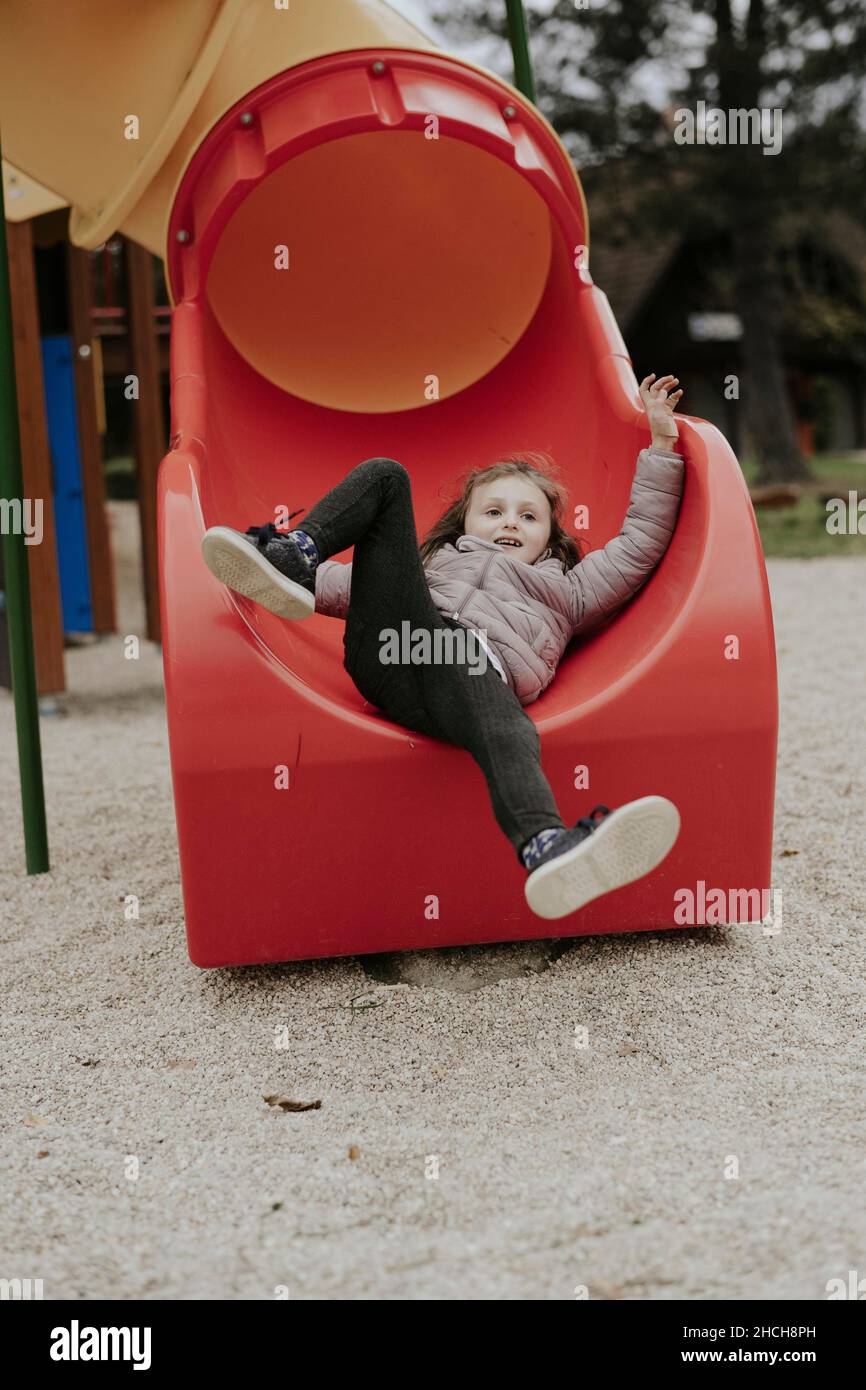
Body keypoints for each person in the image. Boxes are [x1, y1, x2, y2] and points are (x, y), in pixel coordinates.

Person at [201, 373, 686, 921]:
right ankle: (293, 552)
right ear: (467, 523)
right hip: (394, 649)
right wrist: (258, 576)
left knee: (507, 729)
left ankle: (546, 845)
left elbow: (638, 544)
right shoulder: (434, 567)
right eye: (494, 511)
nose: (510, 523)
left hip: (472, 677)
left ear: (552, 537)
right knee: (387, 476)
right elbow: (350, 590)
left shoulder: (569, 591)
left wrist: (661, 445)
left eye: (529, 517)